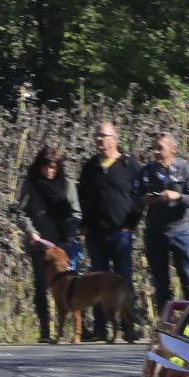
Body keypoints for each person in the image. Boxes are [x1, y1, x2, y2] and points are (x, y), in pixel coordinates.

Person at [77, 121, 140, 341]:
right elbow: (81, 197)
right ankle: (100, 328)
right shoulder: (89, 167)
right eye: (97, 136)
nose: (99, 140)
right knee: (97, 282)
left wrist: (132, 223)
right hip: (96, 234)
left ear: (115, 138)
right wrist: (83, 224)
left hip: (120, 233)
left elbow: (140, 196)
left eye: (103, 135)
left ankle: (129, 325)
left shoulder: (129, 165)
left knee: (124, 280)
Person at [15, 146, 80, 344]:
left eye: (53, 167)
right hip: (40, 246)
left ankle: (76, 329)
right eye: (46, 167)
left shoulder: (67, 184)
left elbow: (76, 213)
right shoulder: (31, 185)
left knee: (70, 286)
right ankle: (45, 328)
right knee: (42, 287)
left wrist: (70, 233)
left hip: (63, 245)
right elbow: (21, 212)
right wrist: (31, 231)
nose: (49, 171)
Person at [135, 133, 189, 324]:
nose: (155, 152)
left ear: (173, 149)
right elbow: (135, 199)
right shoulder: (146, 171)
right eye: (154, 148)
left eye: (160, 148)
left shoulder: (185, 169)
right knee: (161, 284)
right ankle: (166, 326)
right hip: (155, 233)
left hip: (180, 231)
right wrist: (146, 200)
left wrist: (178, 196)